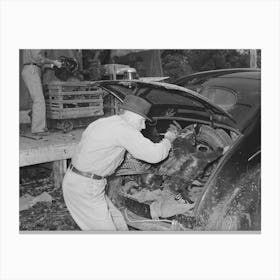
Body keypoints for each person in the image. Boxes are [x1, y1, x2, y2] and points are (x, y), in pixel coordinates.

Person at [62, 95, 178, 231]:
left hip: (80, 181)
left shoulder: (104, 123)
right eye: (142, 120)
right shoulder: (124, 129)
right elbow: (155, 155)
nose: (143, 126)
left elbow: (101, 149)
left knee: (118, 223)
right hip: (85, 187)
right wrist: (168, 140)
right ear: (132, 115)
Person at [21, 50, 62, 135]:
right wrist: (54, 62)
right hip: (32, 70)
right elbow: (38, 58)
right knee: (39, 100)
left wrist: (52, 65)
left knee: (34, 100)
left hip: (31, 69)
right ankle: (38, 129)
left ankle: (35, 126)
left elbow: (37, 61)